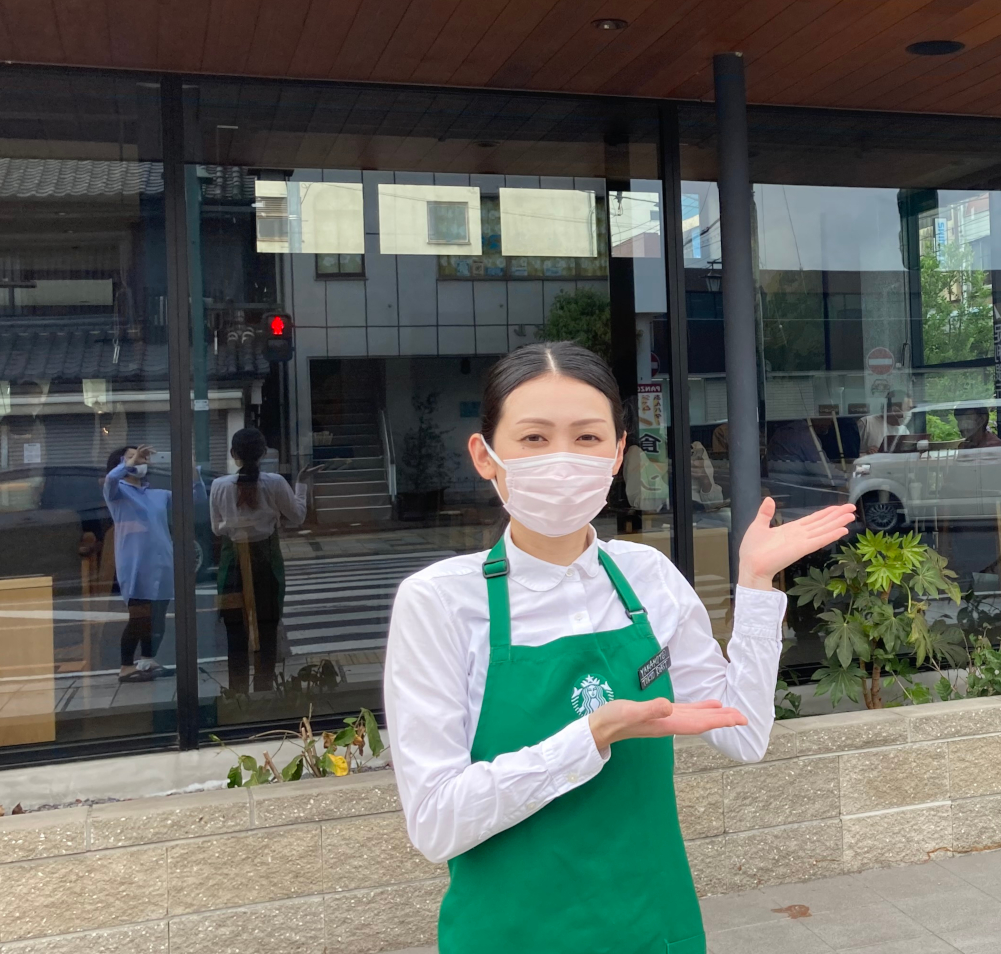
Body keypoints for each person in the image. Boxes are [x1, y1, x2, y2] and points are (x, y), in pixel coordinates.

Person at [384, 342, 854, 954]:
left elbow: (744, 734)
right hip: (510, 936)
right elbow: (436, 823)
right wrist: (590, 737)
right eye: (533, 438)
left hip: (654, 926)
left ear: (617, 454)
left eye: (586, 438)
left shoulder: (648, 578)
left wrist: (757, 586)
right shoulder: (440, 602)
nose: (562, 459)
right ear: (486, 456)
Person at [209, 428, 316, 696]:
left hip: (233, 563)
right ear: (264, 453)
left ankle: (237, 697)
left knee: (235, 634)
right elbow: (298, 516)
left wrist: (235, 524)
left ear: (234, 455)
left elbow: (216, 529)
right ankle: (265, 695)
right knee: (267, 630)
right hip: (267, 563)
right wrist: (301, 484)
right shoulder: (276, 482)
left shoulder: (219, 486)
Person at [103, 445, 175, 681]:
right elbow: (111, 479)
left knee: (158, 615)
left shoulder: (157, 494)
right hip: (135, 564)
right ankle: (125, 666)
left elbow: (194, 497)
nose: (140, 460)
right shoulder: (117, 492)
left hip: (162, 562)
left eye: (142, 456)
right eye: (132, 456)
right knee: (139, 616)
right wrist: (129, 462)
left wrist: (189, 465)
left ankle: (148, 660)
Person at [856, 390, 910, 455]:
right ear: (894, 409)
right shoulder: (866, 423)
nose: (909, 413)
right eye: (907, 409)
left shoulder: (904, 430)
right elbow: (850, 453)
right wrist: (867, 453)